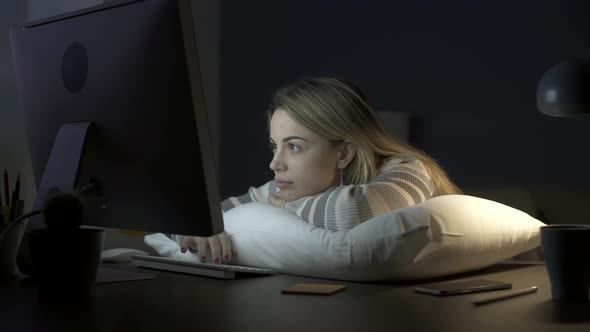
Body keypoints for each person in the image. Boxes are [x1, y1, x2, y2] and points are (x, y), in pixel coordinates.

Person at [177, 77, 462, 264]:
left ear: (344, 153)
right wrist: (201, 230)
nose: (275, 163)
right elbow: (198, 217)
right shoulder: (284, 188)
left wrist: (281, 207)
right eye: (274, 146)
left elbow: (355, 209)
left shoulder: (409, 170)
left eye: (295, 147)